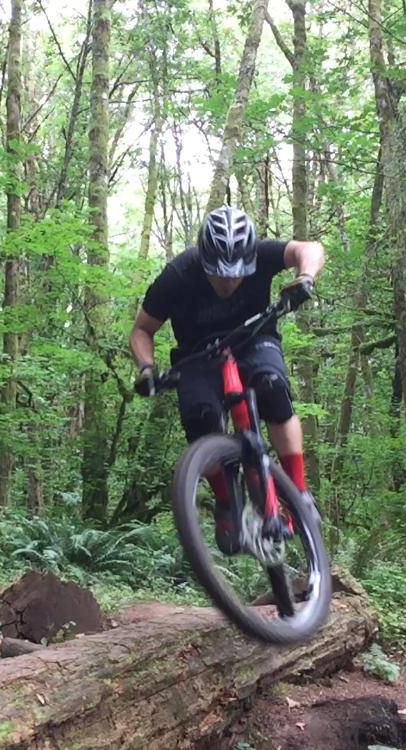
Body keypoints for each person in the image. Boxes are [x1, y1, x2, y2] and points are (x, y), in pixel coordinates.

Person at [130, 205, 325, 554]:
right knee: (200, 418)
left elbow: (308, 249)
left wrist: (305, 277)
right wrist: (147, 367)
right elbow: (142, 330)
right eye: (219, 274)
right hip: (197, 356)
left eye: (237, 274)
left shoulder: (262, 254)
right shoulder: (178, 274)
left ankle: (298, 492)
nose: (229, 281)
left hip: (254, 339)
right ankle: (224, 497)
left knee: (272, 387)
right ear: (204, 260)